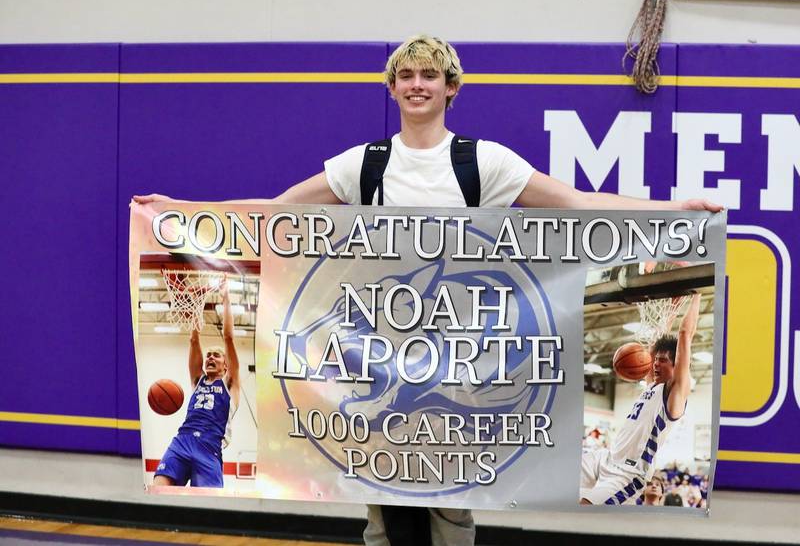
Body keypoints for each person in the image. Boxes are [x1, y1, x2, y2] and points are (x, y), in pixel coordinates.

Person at [135, 34, 721, 545]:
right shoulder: (363, 165)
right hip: (378, 356)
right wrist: (178, 213)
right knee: (376, 491)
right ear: (392, 87)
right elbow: (274, 210)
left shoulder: (482, 162)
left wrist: (675, 209)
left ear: (451, 88)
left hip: (459, 357)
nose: (418, 84)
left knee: (452, 500)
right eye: (407, 75)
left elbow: (577, 205)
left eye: (430, 75)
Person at [580, 293, 701, 506]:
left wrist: (696, 294)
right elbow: (655, 346)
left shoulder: (674, 395)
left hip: (627, 474)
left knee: (585, 508)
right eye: (655, 360)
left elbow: (685, 335)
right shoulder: (651, 384)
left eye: (662, 361)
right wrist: (671, 309)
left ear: (675, 367)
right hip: (605, 458)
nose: (654, 364)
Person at [153, 277, 240, 487]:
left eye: (216, 356)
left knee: (208, 507)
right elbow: (194, 340)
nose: (210, 357)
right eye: (208, 355)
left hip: (209, 447)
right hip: (182, 441)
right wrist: (196, 305)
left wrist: (226, 298)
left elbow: (228, 337)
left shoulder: (230, 385)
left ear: (226, 366)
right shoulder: (197, 380)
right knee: (159, 491)